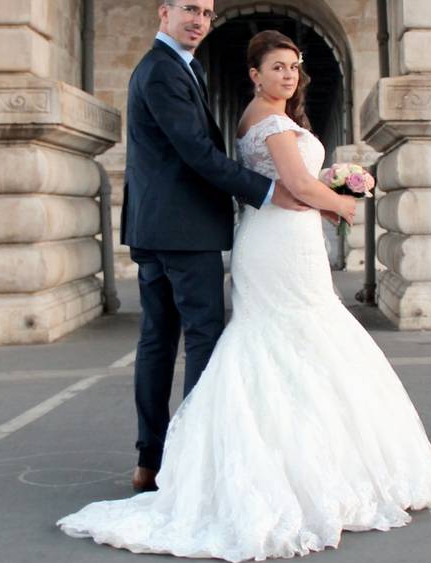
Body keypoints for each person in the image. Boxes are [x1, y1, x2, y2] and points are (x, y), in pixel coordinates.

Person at [57, 30, 431, 563]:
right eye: (277, 67)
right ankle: (204, 462)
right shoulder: (255, 114)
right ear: (255, 74)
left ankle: (178, 458)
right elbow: (285, 179)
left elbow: (293, 175)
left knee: (268, 344)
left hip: (265, 235)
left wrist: (326, 183)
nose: (288, 75)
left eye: (294, 66)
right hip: (274, 239)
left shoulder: (238, 103)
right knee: (251, 341)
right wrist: (342, 202)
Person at [116, 1, 312, 493]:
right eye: (189, 9)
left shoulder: (180, 68)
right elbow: (196, 153)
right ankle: (194, 461)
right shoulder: (163, 72)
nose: (199, 20)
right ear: (164, 13)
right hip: (183, 231)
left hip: (156, 227)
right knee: (203, 339)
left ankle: (152, 460)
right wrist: (267, 191)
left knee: (158, 342)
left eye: (206, 11)